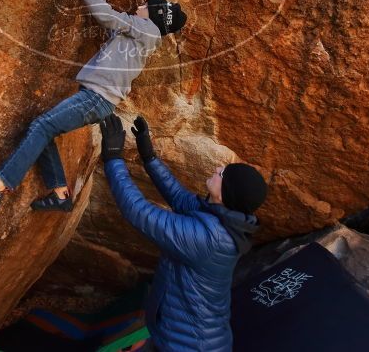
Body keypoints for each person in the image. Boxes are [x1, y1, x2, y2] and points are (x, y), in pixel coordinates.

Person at [0, 0, 187, 211]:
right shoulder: (140, 33)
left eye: (146, 5)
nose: (139, 6)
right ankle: (61, 193)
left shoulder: (147, 30)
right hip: (98, 98)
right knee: (43, 127)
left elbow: (105, 16)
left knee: (42, 126)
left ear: (156, 15)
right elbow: (110, 21)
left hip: (97, 97)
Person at [98, 114, 268, 352]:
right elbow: (179, 198)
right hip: (185, 337)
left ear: (227, 194)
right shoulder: (222, 217)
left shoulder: (209, 238)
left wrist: (113, 158)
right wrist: (149, 157)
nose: (218, 168)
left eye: (223, 174)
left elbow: (139, 212)